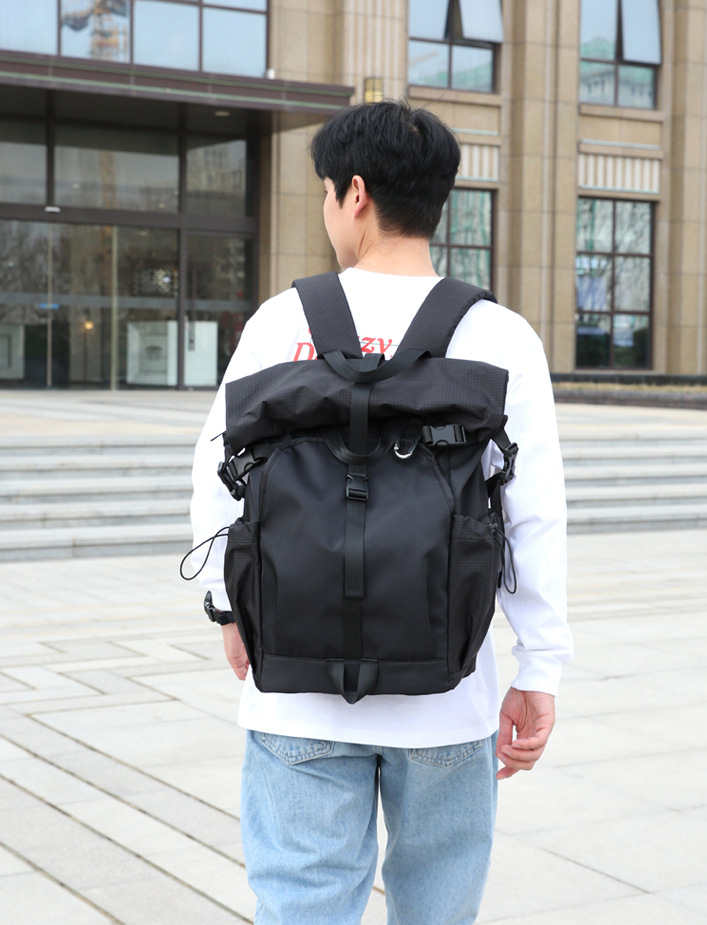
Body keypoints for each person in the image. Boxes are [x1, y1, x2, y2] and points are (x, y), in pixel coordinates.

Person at [190, 99, 573, 925]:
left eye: (327, 193)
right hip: (448, 693)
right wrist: (538, 666)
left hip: (295, 684)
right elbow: (532, 515)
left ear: (355, 193)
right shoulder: (499, 335)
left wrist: (228, 606)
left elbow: (215, 476)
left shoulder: (282, 321)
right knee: (437, 907)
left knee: (301, 903)